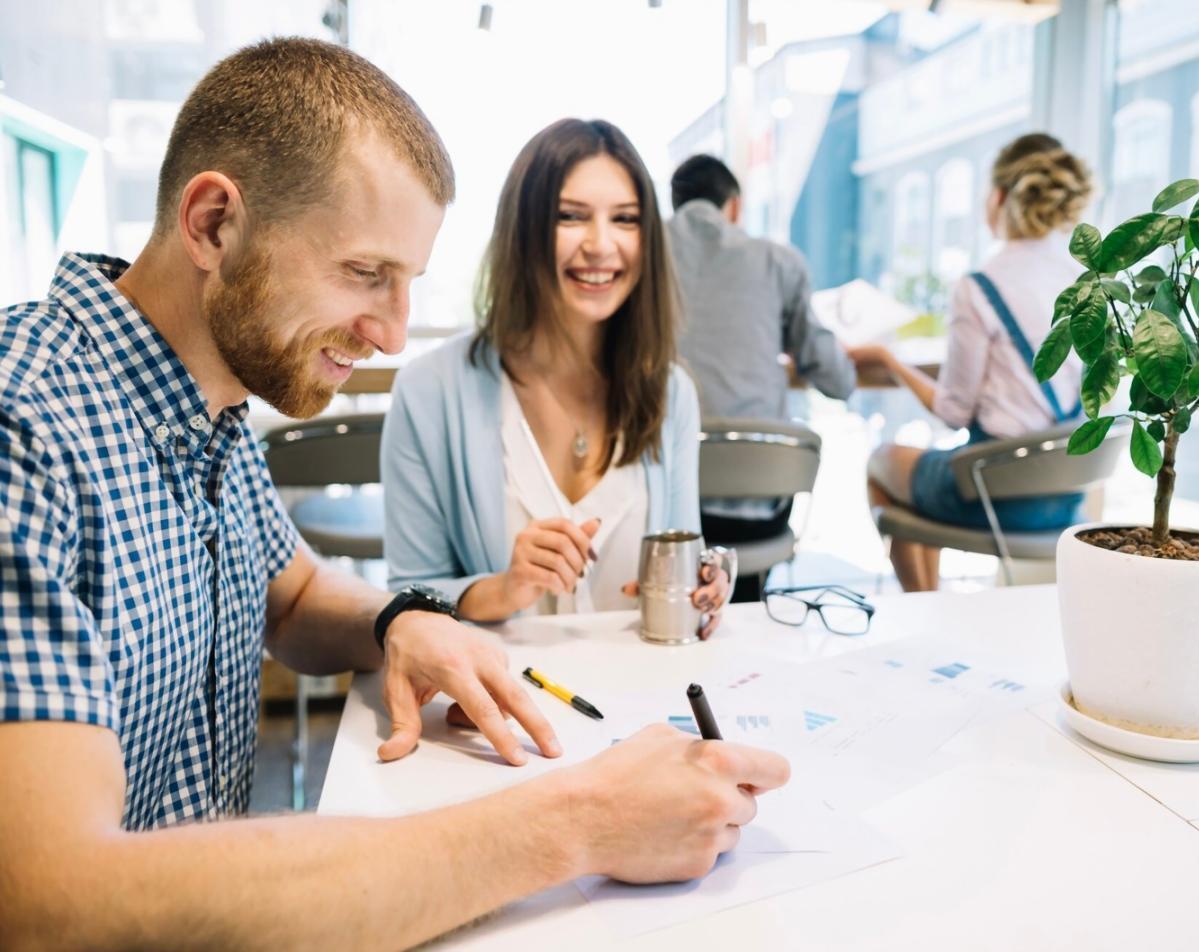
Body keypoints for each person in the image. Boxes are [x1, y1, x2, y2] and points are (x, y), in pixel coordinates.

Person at [0, 42, 787, 949]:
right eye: (367, 275)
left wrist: (400, 624)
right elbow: (49, 903)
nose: (391, 332)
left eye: (409, 285)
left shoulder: (205, 408)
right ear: (214, 224)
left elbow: (290, 596)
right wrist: (579, 821)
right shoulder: (27, 427)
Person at [382, 119, 731, 635]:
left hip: (643, 697)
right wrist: (503, 588)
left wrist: (705, 584)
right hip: (499, 702)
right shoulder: (429, 392)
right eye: (571, 216)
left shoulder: (670, 393)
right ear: (523, 231)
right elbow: (406, 598)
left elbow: (685, 555)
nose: (600, 244)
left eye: (626, 219)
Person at [848, 134, 1093, 592]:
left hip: (993, 493)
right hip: (1067, 495)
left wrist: (890, 361)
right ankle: (934, 614)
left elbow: (953, 412)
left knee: (882, 464)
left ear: (998, 198)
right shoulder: (1088, 279)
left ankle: (926, 606)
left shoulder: (980, 286)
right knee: (926, 472)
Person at [667, 154, 855, 600]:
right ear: (734, 206)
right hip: (757, 508)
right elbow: (837, 379)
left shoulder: (640, 255)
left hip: (660, 509)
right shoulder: (778, 262)